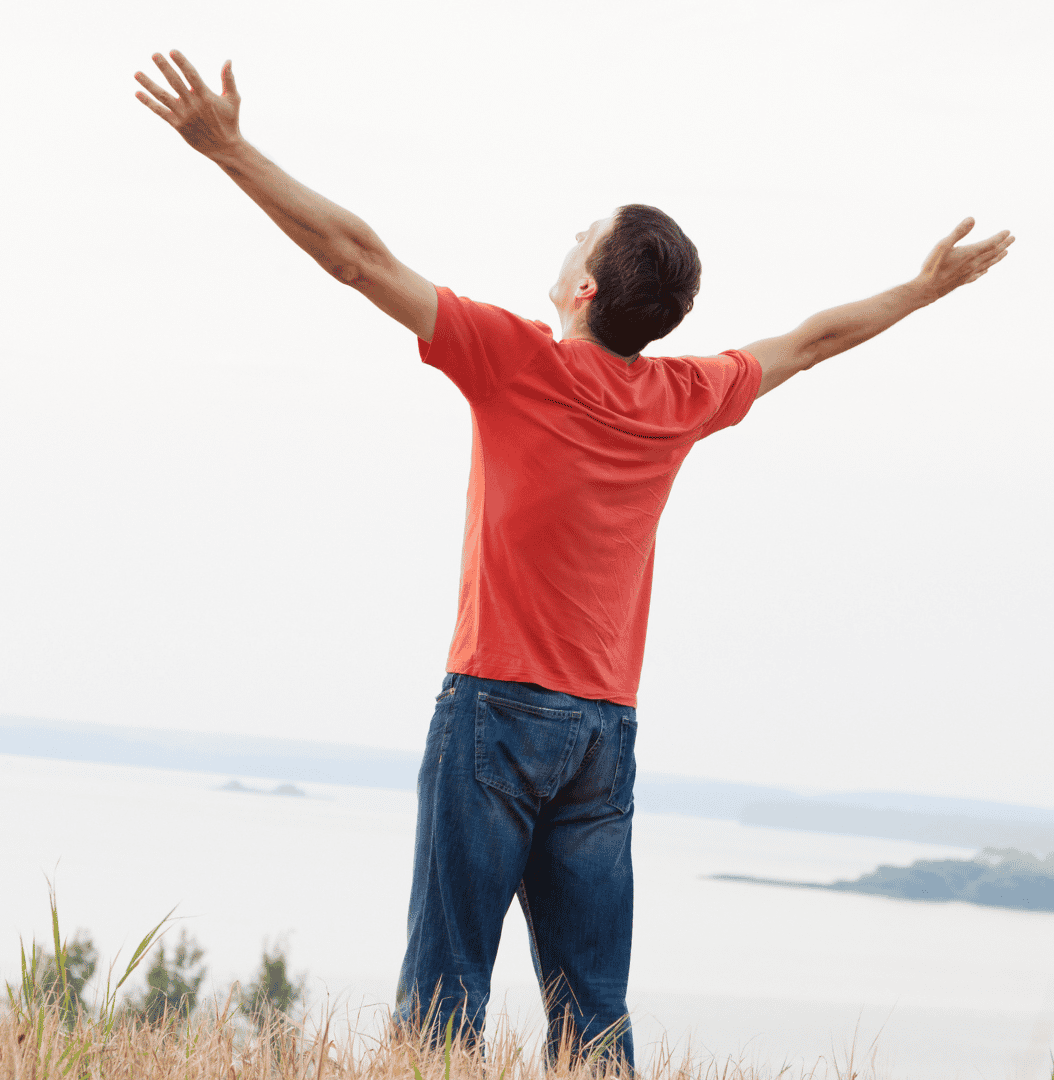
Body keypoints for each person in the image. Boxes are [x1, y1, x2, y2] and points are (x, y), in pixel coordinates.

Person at [134, 50, 1015, 1075]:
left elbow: (357, 259)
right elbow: (812, 342)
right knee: (593, 1014)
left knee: (443, 996)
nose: (566, 244)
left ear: (585, 286)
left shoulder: (517, 362)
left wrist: (229, 149)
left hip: (497, 715)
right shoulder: (685, 397)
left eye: (577, 238)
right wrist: (924, 288)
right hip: (603, 734)